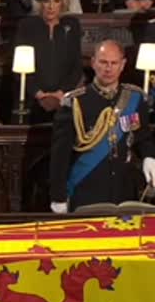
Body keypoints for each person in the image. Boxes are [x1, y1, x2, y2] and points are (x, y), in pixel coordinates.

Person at [50, 40, 155, 213]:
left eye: (114, 63)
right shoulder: (75, 102)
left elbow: (142, 137)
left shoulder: (135, 98)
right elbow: (60, 155)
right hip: (87, 189)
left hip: (124, 190)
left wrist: (149, 157)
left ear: (123, 65)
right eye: (103, 62)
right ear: (93, 63)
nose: (108, 68)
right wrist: (58, 196)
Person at [13, 0, 82, 124]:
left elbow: (77, 67)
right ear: (40, 3)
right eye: (46, 1)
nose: (51, 7)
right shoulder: (27, 26)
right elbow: (19, 69)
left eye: (56, 1)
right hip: (31, 98)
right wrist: (39, 95)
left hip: (63, 99)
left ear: (63, 3)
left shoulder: (72, 25)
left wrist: (60, 94)